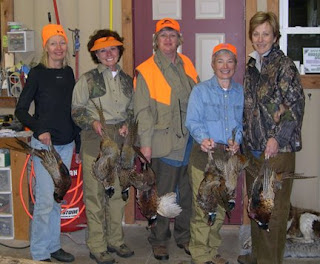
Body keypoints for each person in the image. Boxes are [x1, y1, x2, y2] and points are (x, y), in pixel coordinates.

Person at [237, 11, 305, 264]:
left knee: (272, 213)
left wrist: (276, 138)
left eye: (266, 33)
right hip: (254, 150)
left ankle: (269, 260)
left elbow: (294, 108)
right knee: (257, 209)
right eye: (256, 34)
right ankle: (258, 256)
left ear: (275, 36)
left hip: (276, 152)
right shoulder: (253, 66)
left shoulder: (284, 66)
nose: (261, 38)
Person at [133, 17, 200, 261]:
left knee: (187, 193)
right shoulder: (146, 70)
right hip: (164, 144)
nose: (168, 39)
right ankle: (159, 240)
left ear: (179, 39)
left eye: (172, 35)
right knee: (162, 196)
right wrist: (146, 144)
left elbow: (198, 99)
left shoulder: (187, 65)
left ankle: (184, 236)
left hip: (189, 142)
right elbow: (142, 112)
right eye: (163, 35)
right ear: (156, 40)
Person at [71, 29, 134, 264]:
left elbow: (132, 109)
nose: (109, 53)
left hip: (120, 141)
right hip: (94, 141)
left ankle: (115, 240)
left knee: (117, 192)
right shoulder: (87, 79)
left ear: (119, 51)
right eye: (103, 50)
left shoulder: (128, 80)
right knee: (96, 194)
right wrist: (93, 121)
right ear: (96, 54)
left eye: (113, 48)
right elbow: (76, 110)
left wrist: (128, 124)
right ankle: (97, 245)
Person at [15, 24, 76, 262]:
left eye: (61, 43)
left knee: (56, 200)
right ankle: (40, 253)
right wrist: (40, 130)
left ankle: (53, 246)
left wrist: (77, 144)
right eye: (53, 43)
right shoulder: (37, 73)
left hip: (66, 145)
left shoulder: (70, 73)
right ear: (46, 47)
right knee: (43, 202)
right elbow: (21, 110)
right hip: (44, 148)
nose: (58, 47)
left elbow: (74, 111)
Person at [185, 43, 243, 264]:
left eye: (230, 61)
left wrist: (237, 141)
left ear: (235, 65)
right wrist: (202, 138)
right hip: (204, 158)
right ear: (213, 64)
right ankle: (200, 255)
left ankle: (212, 249)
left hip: (228, 159)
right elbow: (192, 121)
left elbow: (242, 124)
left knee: (220, 206)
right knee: (203, 207)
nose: (225, 66)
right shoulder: (200, 91)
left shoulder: (240, 92)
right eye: (220, 61)